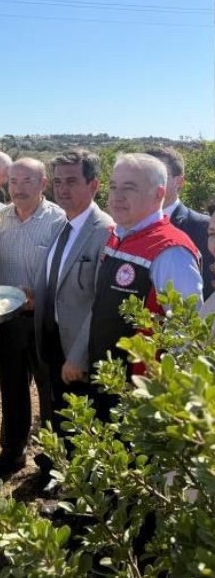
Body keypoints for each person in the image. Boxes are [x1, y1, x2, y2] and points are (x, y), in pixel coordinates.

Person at [87, 154, 201, 419]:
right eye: (113, 186)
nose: (116, 196)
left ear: (158, 194)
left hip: (141, 397)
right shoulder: (117, 236)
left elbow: (186, 335)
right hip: (108, 381)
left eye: (129, 188)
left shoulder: (171, 251)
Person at [32, 150, 113, 495]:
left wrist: (78, 355)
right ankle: (59, 474)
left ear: (93, 184)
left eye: (72, 181)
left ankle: (79, 495)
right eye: (59, 181)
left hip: (77, 350)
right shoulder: (62, 224)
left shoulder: (104, 230)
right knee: (57, 413)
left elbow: (101, 303)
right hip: (51, 340)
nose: (63, 189)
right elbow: (56, 282)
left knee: (81, 422)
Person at [0, 158, 65, 482]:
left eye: (27, 181)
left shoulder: (59, 221)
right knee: (13, 387)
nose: (18, 187)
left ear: (43, 184)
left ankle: (51, 463)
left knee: (50, 394)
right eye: (13, 181)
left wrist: (40, 294)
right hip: (9, 320)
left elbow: (66, 273)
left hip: (45, 321)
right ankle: (12, 452)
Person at [145, 147, 215, 299]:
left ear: (180, 181)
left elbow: (208, 289)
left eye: (158, 175)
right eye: (142, 176)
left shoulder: (203, 227)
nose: (148, 182)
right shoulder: (125, 227)